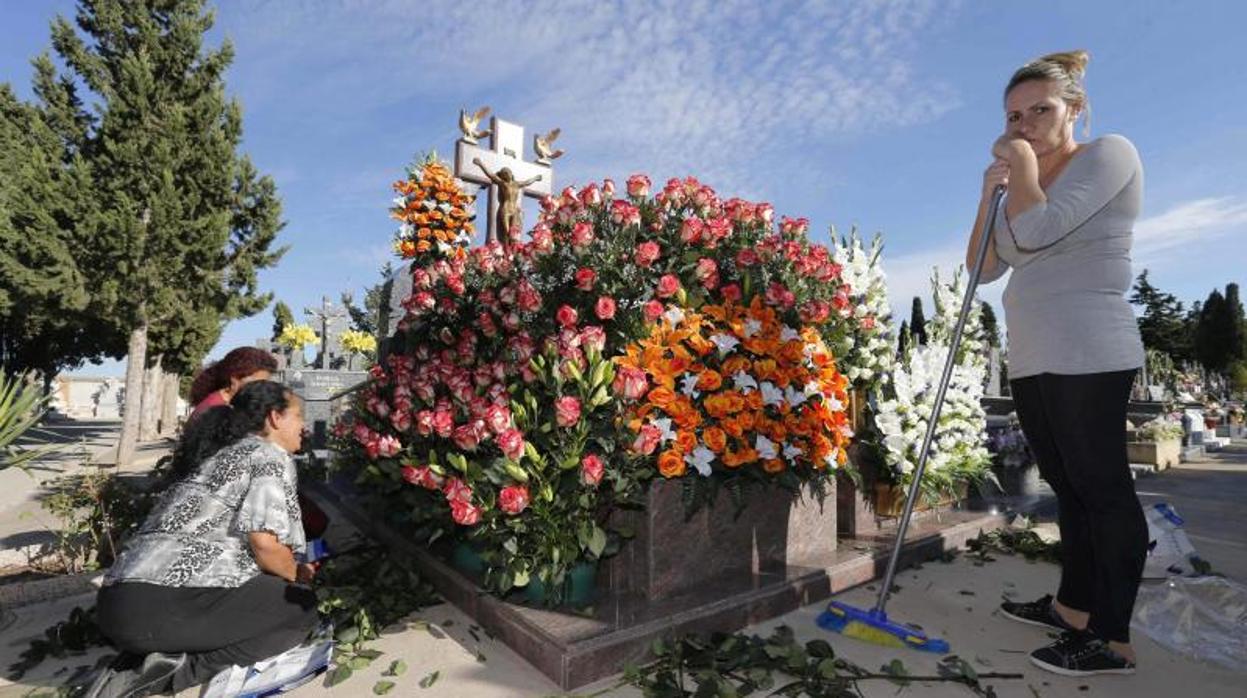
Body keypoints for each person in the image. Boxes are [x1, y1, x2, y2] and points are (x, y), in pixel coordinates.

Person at [969, 50, 1147, 677]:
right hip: (1036, 351)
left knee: (1102, 488)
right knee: (1067, 488)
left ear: (1074, 108)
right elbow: (985, 268)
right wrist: (989, 193)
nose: (1024, 125)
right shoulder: (1024, 181)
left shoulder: (1107, 155)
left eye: (1040, 110)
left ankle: (1114, 638)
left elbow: (1041, 231)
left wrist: (1018, 166)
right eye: (1014, 116)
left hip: (1090, 346)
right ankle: (1073, 609)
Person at [87, 381, 320, 697]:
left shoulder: (219, 456)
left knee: (270, 593)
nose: (303, 426)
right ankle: (168, 674)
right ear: (275, 418)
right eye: (298, 416)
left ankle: (150, 653)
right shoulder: (268, 456)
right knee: (298, 610)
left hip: (115, 607)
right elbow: (265, 545)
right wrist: (299, 576)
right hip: (164, 607)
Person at [188, 346, 329, 539]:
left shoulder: (232, 406)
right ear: (235, 379)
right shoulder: (214, 410)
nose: (262, 389)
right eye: (258, 382)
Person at [187, 347, 279, 423]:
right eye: (258, 384)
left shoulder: (228, 407)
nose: (262, 390)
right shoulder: (216, 413)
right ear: (235, 379)